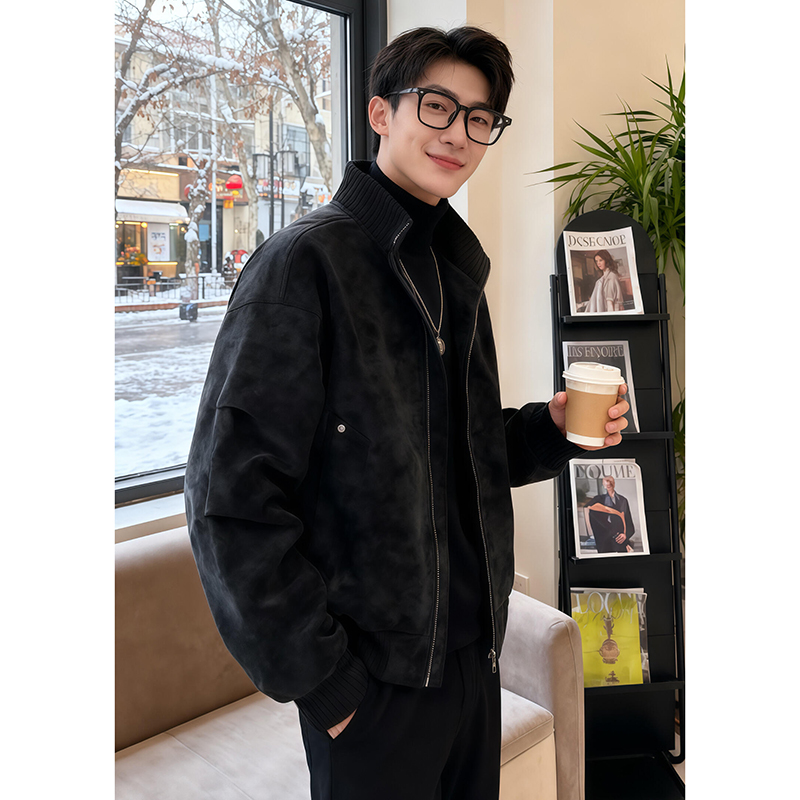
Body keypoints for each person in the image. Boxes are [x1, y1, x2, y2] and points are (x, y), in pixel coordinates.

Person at [184, 25, 629, 800]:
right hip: (373, 690)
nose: (458, 133)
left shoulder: (452, 266)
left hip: (472, 664)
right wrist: (326, 686)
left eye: (479, 118)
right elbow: (229, 499)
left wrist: (550, 430)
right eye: (437, 106)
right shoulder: (303, 263)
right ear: (381, 113)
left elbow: (453, 450)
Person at [587, 475, 635, 553]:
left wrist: (625, 535)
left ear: (614, 484)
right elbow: (590, 507)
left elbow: (628, 521)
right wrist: (616, 513)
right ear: (603, 485)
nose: (609, 484)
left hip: (620, 538)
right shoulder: (598, 499)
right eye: (606, 482)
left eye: (611, 482)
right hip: (604, 539)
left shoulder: (623, 500)